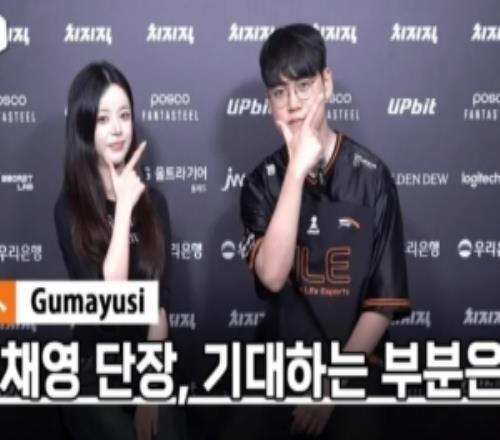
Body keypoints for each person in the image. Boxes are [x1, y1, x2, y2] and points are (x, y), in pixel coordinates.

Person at [238, 23, 410, 439]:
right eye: (280, 93)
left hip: (353, 365)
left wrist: (332, 385)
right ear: (269, 103)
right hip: (280, 365)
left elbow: (381, 308)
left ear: (327, 83)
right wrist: (295, 173)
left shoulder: (372, 178)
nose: (293, 104)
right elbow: (272, 276)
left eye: (304, 86)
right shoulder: (261, 183)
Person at [54, 61, 171, 440]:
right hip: (91, 372)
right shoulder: (69, 209)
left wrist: (151, 390)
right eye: (103, 119)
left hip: (147, 363)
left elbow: (158, 309)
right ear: (84, 127)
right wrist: (121, 213)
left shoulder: (154, 203)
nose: (118, 129)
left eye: (124, 115)